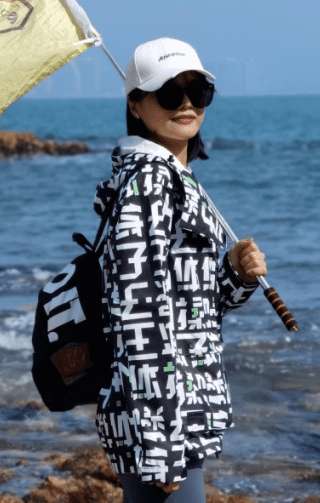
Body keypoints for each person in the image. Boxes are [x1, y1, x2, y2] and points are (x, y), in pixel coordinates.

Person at [93, 37, 267, 503]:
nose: (187, 103)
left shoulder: (174, 177)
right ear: (136, 105)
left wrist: (234, 275)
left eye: (199, 91)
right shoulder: (150, 182)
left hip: (181, 410)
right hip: (164, 421)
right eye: (169, 93)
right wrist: (159, 446)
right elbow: (138, 315)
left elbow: (189, 310)